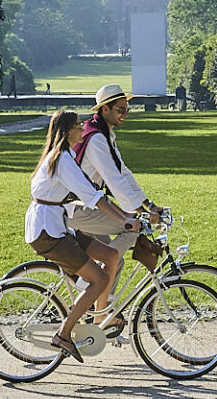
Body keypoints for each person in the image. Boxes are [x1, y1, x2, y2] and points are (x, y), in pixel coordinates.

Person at [27, 109, 126, 360]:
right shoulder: (61, 159)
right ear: (67, 130)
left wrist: (128, 215)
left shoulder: (66, 156)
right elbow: (91, 196)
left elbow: (92, 191)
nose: (83, 126)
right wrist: (125, 220)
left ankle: (100, 316)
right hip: (48, 232)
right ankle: (63, 334)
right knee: (100, 280)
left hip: (59, 227)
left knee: (112, 255)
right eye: (78, 124)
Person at [68, 83, 167, 328]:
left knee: (115, 259)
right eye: (120, 109)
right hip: (76, 208)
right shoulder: (95, 139)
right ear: (104, 109)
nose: (124, 114)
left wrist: (148, 204)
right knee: (129, 228)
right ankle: (89, 286)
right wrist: (138, 213)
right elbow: (113, 180)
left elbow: (124, 173)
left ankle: (99, 311)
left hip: (89, 206)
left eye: (126, 110)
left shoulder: (105, 136)